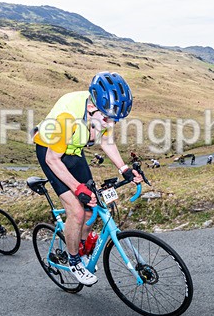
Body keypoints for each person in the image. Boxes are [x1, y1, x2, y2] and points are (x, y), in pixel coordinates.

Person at [34, 71, 142, 286]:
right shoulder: (67, 117)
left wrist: (124, 169)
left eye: (114, 120)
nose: (110, 123)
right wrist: (76, 189)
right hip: (51, 153)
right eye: (107, 119)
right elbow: (53, 160)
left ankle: (81, 246)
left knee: (92, 207)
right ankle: (74, 260)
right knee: (76, 210)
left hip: (74, 151)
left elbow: (106, 142)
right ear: (92, 108)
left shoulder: (102, 110)